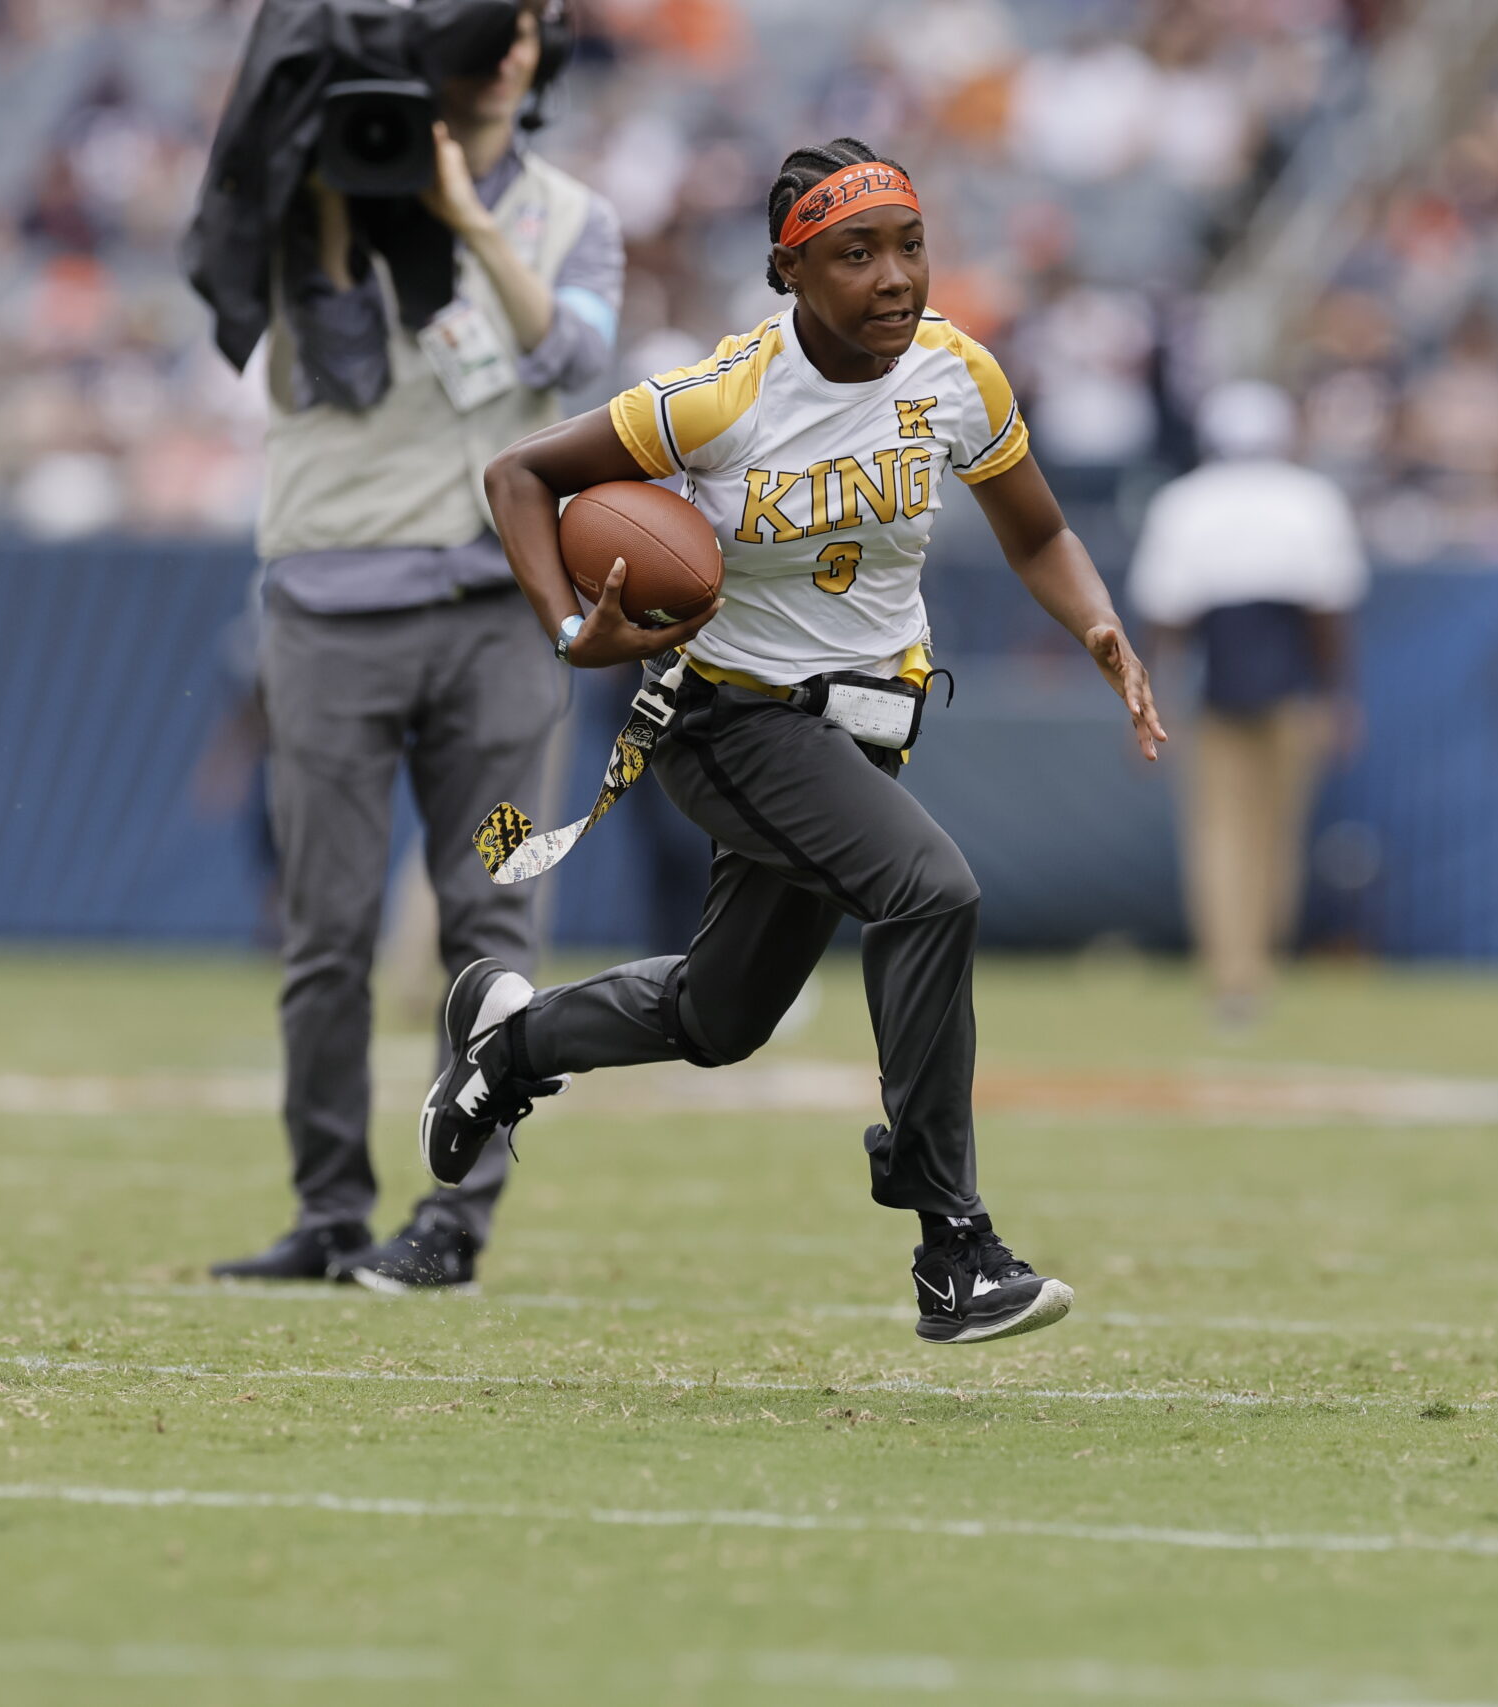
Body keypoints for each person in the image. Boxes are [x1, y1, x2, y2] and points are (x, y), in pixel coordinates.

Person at [379, 139, 1167, 1345]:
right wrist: (568, 631)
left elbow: (1039, 532)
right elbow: (519, 476)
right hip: (727, 718)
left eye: (909, 246)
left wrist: (1099, 620)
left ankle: (509, 1044)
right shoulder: (719, 398)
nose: (895, 277)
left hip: (865, 729)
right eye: (856, 255)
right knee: (929, 890)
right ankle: (952, 1244)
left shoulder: (958, 375)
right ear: (788, 272)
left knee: (720, 1016)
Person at [204, 0, 627, 1289]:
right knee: (325, 926)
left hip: (504, 624)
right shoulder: (316, 184)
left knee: (494, 914)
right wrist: (343, 204)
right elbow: (330, 365)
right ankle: (329, 1208)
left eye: (521, 31)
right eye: (481, 28)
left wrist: (462, 218)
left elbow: (569, 358)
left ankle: (457, 1214)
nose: (505, 49)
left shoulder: (575, 215)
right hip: (334, 617)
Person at [1127, 380, 1365, 1029]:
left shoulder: (1185, 503)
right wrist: (1337, 696)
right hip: (1290, 685)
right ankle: (1255, 964)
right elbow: (1329, 613)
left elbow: (1166, 617)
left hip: (1215, 684)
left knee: (1219, 835)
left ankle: (1235, 973)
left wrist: (1146, 700)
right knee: (1277, 833)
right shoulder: (1311, 500)